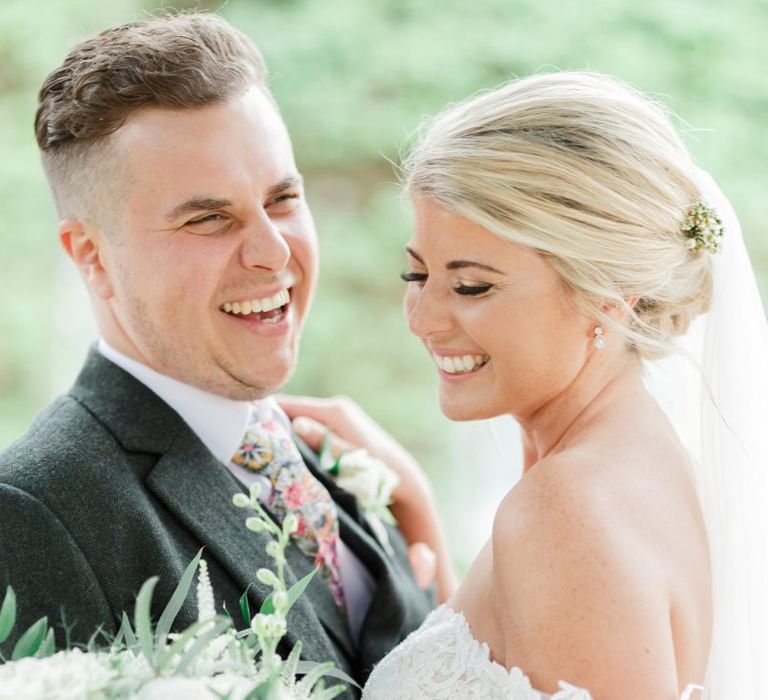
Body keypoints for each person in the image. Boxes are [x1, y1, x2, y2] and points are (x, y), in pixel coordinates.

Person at [0, 12, 455, 693]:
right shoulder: (35, 512)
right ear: (91, 256)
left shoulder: (339, 461)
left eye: (284, 198)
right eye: (209, 218)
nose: (273, 251)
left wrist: (415, 503)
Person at [282, 71, 768, 699]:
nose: (422, 318)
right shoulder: (635, 459)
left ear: (606, 297)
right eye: (417, 271)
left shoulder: (566, 511)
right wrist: (418, 514)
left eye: (472, 286)